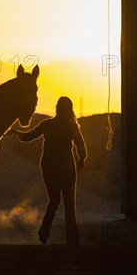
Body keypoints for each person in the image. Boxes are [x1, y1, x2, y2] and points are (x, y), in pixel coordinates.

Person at [7, 96, 87, 245]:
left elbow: (28, 137)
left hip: (49, 165)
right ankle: (72, 239)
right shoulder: (71, 126)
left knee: (54, 201)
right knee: (70, 204)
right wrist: (82, 159)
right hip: (66, 166)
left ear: (57, 108)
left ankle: (44, 232)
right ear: (70, 109)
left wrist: (16, 132)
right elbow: (81, 146)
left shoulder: (47, 124)